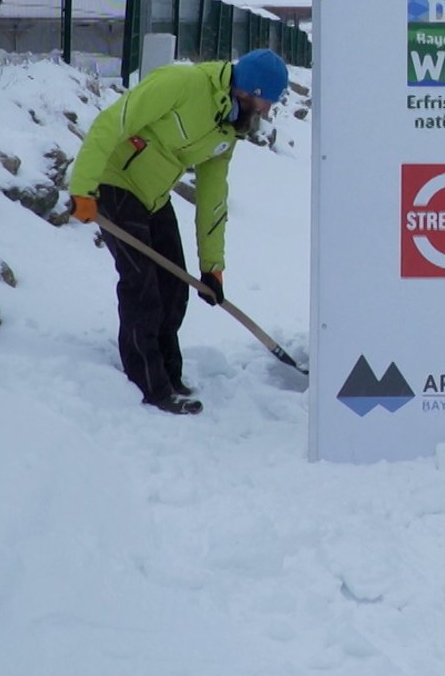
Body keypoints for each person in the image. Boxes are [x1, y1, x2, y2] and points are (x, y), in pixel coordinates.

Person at [68, 48, 289, 415]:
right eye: (265, 102)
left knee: (174, 291)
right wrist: (83, 188)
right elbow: (112, 123)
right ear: (250, 90)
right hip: (113, 182)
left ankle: (170, 376)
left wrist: (212, 266)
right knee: (143, 288)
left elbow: (213, 196)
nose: (265, 112)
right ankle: (149, 386)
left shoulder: (228, 129)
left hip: (153, 196)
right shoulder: (182, 84)